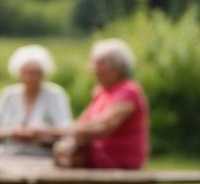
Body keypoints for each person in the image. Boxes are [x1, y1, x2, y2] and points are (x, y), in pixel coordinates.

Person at [49, 38, 149, 169]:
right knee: (61, 149)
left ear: (118, 67)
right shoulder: (100, 92)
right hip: (97, 152)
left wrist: (60, 132)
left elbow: (105, 127)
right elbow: (84, 122)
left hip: (117, 157)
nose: (95, 69)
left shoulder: (128, 91)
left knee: (65, 152)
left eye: (101, 64)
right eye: (94, 64)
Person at [0, 44, 73, 156]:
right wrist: (12, 132)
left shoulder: (55, 94)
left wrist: (45, 132)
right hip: (8, 155)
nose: (29, 78)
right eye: (25, 73)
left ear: (43, 74)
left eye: (34, 73)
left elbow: (68, 129)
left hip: (44, 156)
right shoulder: (8, 94)